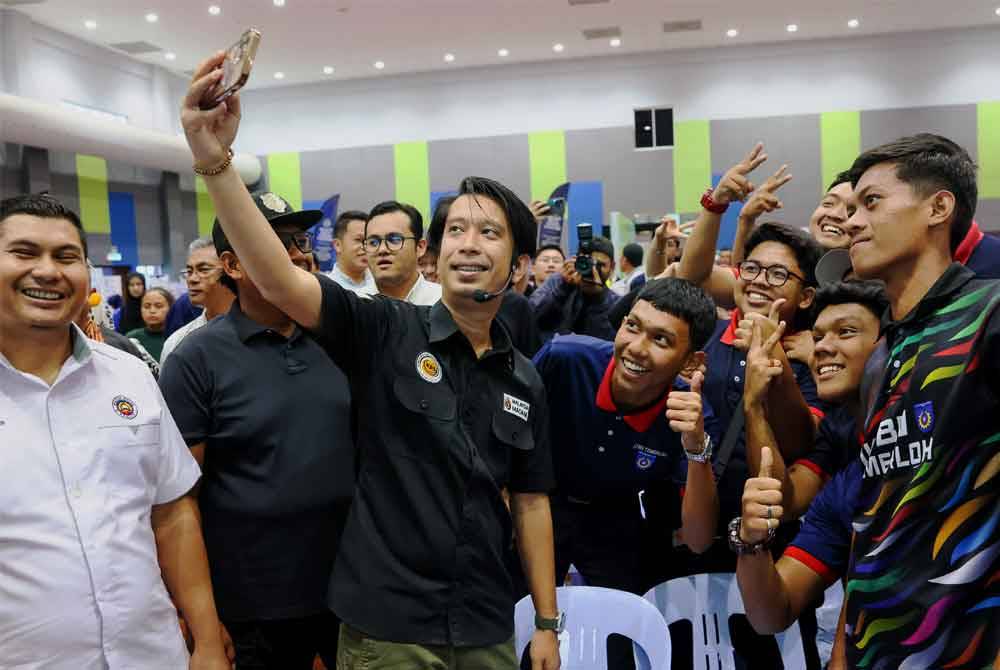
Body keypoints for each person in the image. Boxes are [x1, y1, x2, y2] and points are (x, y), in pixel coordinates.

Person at [181, 52, 560, 670]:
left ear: (519, 266)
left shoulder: (525, 378)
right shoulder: (385, 329)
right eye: (456, 231)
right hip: (388, 628)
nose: (469, 244)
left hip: (486, 619)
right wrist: (214, 159)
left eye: (489, 233)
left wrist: (546, 621)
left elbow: (531, 502)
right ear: (434, 254)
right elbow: (278, 278)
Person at [0, 193, 229, 669]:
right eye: (24, 252)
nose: (48, 271)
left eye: (66, 257)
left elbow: (173, 512)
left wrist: (207, 638)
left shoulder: (129, 375)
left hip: (152, 654)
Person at [159, 197, 352, 670]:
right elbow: (178, 501)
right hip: (251, 608)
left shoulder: (343, 339)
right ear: (232, 265)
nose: (297, 254)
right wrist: (203, 622)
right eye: (276, 243)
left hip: (352, 593)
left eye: (299, 241)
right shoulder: (195, 360)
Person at [533, 277, 720, 601]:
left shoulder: (691, 416)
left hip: (616, 519)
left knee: (623, 619)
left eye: (661, 339)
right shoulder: (564, 358)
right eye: (632, 326)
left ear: (691, 362)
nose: (636, 348)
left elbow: (698, 539)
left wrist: (695, 449)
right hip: (540, 503)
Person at [733, 280, 887, 661]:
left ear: (889, 345)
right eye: (817, 337)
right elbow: (770, 614)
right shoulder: (844, 484)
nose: (821, 347)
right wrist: (751, 541)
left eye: (845, 332)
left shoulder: (947, 441)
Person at [160, 237, 235, 365]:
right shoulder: (178, 342)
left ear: (230, 269)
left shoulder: (261, 331)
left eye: (203, 270)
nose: (192, 279)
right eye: (189, 271)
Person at [530, 234, 618, 343]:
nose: (593, 269)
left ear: (612, 267)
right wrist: (563, 287)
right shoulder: (558, 282)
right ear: (576, 260)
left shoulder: (616, 303)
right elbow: (530, 317)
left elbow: (608, 341)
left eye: (600, 265)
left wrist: (598, 299)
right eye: (587, 263)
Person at [365, 200, 442, 305]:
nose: (382, 249)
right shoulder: (353, 305)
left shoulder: (445, 303)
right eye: (373, 242)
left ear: (420, 247)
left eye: (394, 240)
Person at [329, 210, 377, 295]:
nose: (366, 247)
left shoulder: (382, 283)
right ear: (337, 245)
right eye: (358, 240)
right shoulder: (325, 288)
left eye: (371, 241)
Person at [126, 286, 174, 362]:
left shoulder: (178, 337)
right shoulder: (132, 339)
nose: (152, 311)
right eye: (146, 306)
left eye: (158, 306)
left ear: (171, 308)